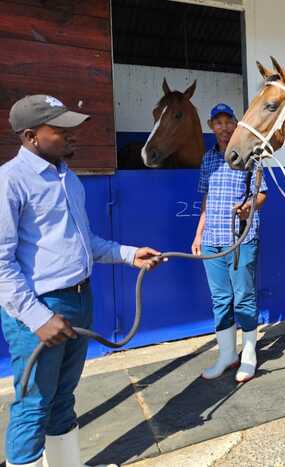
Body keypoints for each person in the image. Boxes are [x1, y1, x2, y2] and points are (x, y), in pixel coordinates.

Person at [0, 95, 164, 467]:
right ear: (31, 136)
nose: (72, 135)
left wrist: (129, 254)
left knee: (63, 399)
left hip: (78, 300)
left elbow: (84, 241)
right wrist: (38, 318)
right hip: (41, 309)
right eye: (61, 129)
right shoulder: (10, 181)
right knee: (33, 405)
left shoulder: (68, 178)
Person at [192, 103, 267, 383]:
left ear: (236, 124)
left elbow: (262, 194)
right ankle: (227, 355)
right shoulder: (208, 159)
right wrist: (198, 235)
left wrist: (249, 206)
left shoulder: (251, 155)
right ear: (211, 127)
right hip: (212, 240)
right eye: (218, 123)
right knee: (220, 299)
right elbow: (206, 199)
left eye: (228, 122)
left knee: (244, 296)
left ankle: (248, 355)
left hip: (241, 239)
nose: (223, 128)